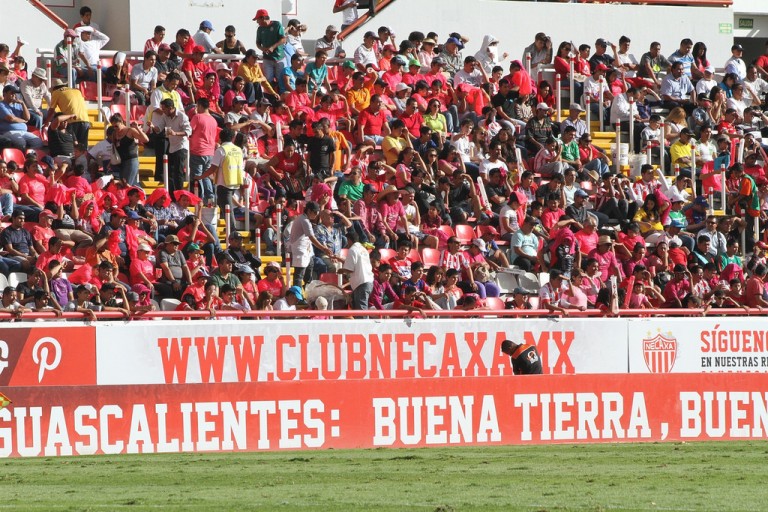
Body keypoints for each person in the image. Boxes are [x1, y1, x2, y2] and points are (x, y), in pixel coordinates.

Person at [149, 98, 191, 195]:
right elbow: (159, 129)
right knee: (169, 172)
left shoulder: (182, 116)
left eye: (164, 109)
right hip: (172, 147)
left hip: (181, 146)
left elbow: (188, 131)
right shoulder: (165, 116)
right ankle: (172, 194)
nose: (162, 111)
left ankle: (180, 194)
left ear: (170, 108)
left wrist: (175, 133)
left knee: (178, 172)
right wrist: (152, 126)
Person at [339, 230, 374, 309]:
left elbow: (350, 269)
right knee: (358, 307)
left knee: (361, 310)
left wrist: (341, 270)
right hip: (368, 282)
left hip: (361, 283)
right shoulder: (363, 249)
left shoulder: (352, 250)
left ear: (349, 240)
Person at [253, 9, 286, 85]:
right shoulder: (260, 29)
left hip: (279, 57)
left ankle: (280, 95)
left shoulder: (277, 25)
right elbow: (258, 43)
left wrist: (273, 47)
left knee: (280, 79)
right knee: (268, 79)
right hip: (267, 58)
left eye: (258, 19)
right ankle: (270, 95)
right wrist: (262, 49)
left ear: (263, 18)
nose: (257, 22)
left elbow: (283, 39)